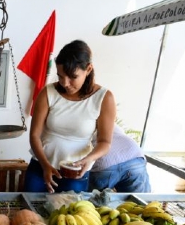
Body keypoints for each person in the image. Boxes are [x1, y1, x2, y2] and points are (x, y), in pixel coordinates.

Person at [24, 40, 117, 193]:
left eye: (72, 77)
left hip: (76, 173)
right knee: (30, 215)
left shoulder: (104, 98)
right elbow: (34, 135)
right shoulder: (48, 92)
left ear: (88, 69)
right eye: (60, 76)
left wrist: (89, 159)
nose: (65, 83)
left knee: (69, 215)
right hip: (40, 167)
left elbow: (105, 142)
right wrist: (45, 165)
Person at [88, 124, 151, 193]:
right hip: (134, 156)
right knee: (138, 201)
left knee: (95, 200)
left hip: (105, 162)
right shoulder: (111, 124)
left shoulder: (84, 126)